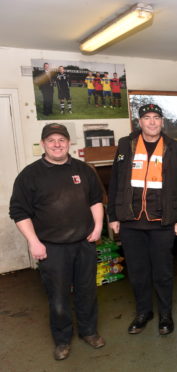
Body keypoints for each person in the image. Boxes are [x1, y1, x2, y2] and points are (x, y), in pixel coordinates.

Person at [9, 123, 105, 361]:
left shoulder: (83, 170)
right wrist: (34, 242)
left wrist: (98, 227)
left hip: (84, 243)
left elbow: (95, 200)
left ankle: (89, 332)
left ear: (68, 143)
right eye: (51, 140)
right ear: (43, 144)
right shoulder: (30, 175)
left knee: (87, 291)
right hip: (51, 248)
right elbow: (19, 212)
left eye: (61, 140)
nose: (57, 144)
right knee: (58, 296)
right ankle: (62, 340)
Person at [107, 104, 177, 336]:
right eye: (147, 118)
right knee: (138, 271)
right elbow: (115, 182)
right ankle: (143, 312)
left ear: (162, 122)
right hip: (131, 221)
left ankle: (165, 314)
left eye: (156, 118)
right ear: (139, 122)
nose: (152, 122)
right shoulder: (125, 144)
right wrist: (113, 215)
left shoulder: (174, 147)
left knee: (163, 272)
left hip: (162, 221)